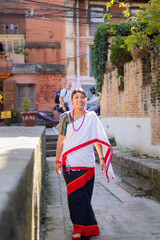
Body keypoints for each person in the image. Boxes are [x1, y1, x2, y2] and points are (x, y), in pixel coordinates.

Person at [55, 88, 114, 240]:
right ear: (72, 100)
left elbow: (97, 139)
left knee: (85, 197)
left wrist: (101, 158)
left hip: (87, 163)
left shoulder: (92, 117)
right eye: (76, 97)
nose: (80, 100)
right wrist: (57, 160)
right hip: (70, 163)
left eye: (82, 97)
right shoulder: (66, 117)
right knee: (75, 197)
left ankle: (86, 228)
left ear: (86, 100)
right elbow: (61, 140)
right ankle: (78, 229)